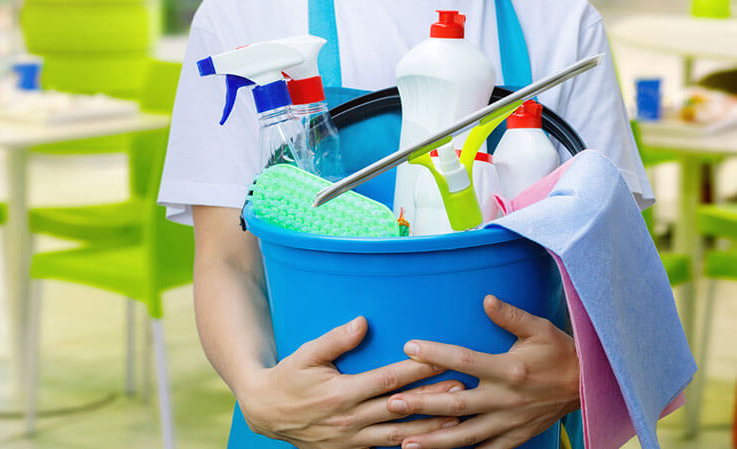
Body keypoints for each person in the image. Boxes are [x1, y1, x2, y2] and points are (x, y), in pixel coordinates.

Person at [159, 1, 653, 448]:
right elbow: (228, 260)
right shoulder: (243, 14)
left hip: (512, 429)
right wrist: (257, 389)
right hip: (307, 426)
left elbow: (614, 271)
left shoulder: (561, 21)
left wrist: (578, 376)